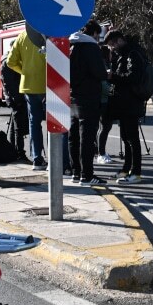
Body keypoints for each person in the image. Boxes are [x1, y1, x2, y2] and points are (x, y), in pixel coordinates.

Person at [105, 30, 149, 183]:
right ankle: (126, 169)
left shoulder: (132, 53)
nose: (111, 48)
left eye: (112, 45)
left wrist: (114, 76)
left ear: (118, 41)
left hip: (131, 102)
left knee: (132, 139)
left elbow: (133, 77)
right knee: (126, 137)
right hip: (123, 102)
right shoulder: (123, 53)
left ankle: (136, 172)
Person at [68, 18, 108, 186]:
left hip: (71, 96)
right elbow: (100, 73)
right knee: (87, 136)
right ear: (94, 33)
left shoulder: (70, 45)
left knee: (74, 135)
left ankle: (76, 172)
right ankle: (87, 175)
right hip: (88, 96)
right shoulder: (90, 47)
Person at [5, 26, 49, 171]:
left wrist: (24, 71)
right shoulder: (47, 35)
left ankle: (37, 159)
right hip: (48, 84)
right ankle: (56, 159)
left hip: (29, 85)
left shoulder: (22, 36)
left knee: (34, 123)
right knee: (54, 123)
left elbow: (10, 62)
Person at [1, 50, 30, 162]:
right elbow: (10, 84)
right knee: (18, 127)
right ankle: (19, 153)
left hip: (13, 97)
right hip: (15, 98)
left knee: (15, 124)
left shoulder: (6, 61)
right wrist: (17, 98)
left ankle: (15, 150)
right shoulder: (8, 62)